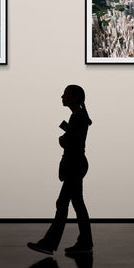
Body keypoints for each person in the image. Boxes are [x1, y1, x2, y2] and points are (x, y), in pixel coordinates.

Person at [28, 85, 94, 255]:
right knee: (76, 204)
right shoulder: (78, 117)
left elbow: (73, 143)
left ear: (75, 98)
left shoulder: (78, 118)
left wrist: (63, 140)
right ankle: (85, 242)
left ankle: (49, 243)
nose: (62, 96)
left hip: (74, 165)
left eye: (66, 94)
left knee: (63, 203)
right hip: (77, 164)